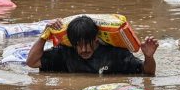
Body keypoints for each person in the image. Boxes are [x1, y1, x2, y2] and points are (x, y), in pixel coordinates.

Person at [26, 16, 159, 75]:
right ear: (73, 44)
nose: (83, 50)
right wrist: (45, 35)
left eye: (87, 44)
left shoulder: (116, 54)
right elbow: (32, 62)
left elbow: (148, 73)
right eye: (78, 45)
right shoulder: (65, 53)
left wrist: (149, 57)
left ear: (96, 39)